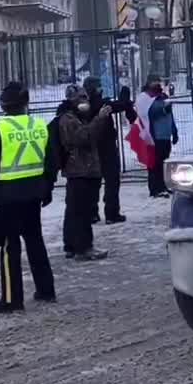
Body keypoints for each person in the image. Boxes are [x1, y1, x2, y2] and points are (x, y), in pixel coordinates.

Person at [0, 82, 57, 313]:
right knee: (35, 242)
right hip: (34, 195)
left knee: (10, 247)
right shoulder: (39, 125)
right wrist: (47, 188)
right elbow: (51, 161)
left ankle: (12, 299)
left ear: (3, 104)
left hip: (7, 196)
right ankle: (46, 289)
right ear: (25, 103)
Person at [56, 85, 110, 261]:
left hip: (85, 170)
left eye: (85, 97)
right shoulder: (68, 118)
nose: (84, 101)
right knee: (81, 212)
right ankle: (83, 247)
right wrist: (99, 119)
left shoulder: (79, 117)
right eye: (80, 98)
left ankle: (72, 245)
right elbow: (83, 138)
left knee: (76, 210)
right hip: (80, 170)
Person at [81, 76, 136, 225]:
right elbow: (120, 105)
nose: (101, 89)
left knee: (94, 181)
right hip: (106, 147)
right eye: (98, 87)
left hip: (92, 148)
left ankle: (92, 213)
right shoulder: (100, 104)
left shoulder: (83, 106)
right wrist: (125, 94)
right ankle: (111, 213)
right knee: (112, 180)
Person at [146, 80, 180, 198]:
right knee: (157, 164)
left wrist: (174, 132)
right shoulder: (150, 101)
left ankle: (163, 185)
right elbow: (151, 114)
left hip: (166, 136)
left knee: (164, 162)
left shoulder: (165, 99)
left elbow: (171, 117)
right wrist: (164, 110)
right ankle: (156, 188)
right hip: (157, 137)